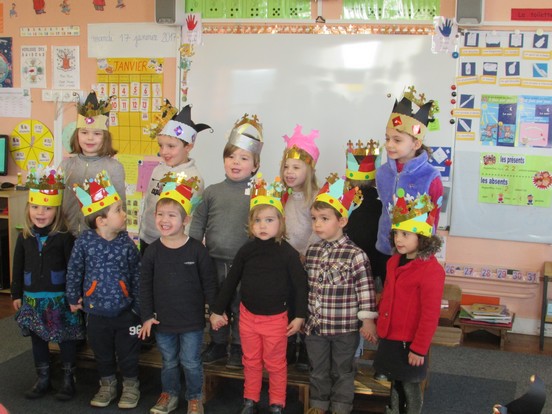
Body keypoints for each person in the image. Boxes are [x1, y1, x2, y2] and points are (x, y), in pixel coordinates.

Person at [210, 174, 308, 414]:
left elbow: (300, 286)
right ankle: (250, 399)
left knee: (275, 364)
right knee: (251, 361)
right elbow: (231, 281)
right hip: (248, 318)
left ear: (281, 222)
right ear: (250, 224)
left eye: (269, 220)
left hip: (276, 320)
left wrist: (299, 316)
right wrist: (217, 310)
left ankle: (276, 402)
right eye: (258, 220)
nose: (263, 225)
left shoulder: (288, 253)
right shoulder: (246, 251)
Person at [139, 173, 217, 414]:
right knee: (169, 361)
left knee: (191, 362)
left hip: (191, 322)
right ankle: (169, 394)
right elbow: (143, 286)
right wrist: (146, 316)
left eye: (172, 215)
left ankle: (194, 397)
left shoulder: (197, 251)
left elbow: (210, 284)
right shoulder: (152, 251)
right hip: (163, 322)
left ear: (186, 219)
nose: (164, 220)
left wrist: (214, 312)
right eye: (160, 214)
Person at [190, 113, 263, 369]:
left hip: (245, 266)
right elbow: (198, 221)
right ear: (223, 159)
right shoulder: (212, 191)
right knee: (216, 305)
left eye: (244, 158)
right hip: (213, 260)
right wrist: (194, 249)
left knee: (241, 307)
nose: (236, 162)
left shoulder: (258, 193)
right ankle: (218, 343)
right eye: (231, 156)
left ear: (255, 165)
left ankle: (239, 348)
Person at [66, 170, 141, 409]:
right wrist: (72, 296)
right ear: (101, 220)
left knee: (128, 352)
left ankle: (131, 385)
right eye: (118, 210)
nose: (123, 213)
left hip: (125, 311)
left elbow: (137, 275)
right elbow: (74, 270)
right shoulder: (84, 242)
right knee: (102, 351)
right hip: (95, 311)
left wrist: (139, 306)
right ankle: (107, 384)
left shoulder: (127, 244)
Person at [304, 174, 378, 414]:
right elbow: (308, 287)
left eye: (324, 219)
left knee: (343, 370)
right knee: (317, 369)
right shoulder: (313, 251)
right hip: (316, 327)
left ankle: (341, 407)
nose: (317, 224)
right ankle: (318, 405)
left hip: (344, 328)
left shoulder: (355, 254)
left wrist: (367, 321)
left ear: (342, 220)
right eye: (314, 218)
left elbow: (366, 290)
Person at [11, 167, 85, 401]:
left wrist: (74, 296)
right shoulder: (24, 237)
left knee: (66, 338)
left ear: (57, 210)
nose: (40, 213)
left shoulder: (64, 237)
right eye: (35, 207)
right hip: (33, 298)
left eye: (47, 208)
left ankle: (68, 379)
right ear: (28, 208)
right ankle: (42, 378)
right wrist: (16, 293)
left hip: (59, 299)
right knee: (38, 339)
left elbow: (74, 269)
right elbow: (17, 265)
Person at [373, 189, 445, 414]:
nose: (398, 239)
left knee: (410, 387)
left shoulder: (432, 270)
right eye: (396, 233)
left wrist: (419, 349)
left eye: (406, 234)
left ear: (421, 237)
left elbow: (430, 315)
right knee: (394, 384)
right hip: (390, 338)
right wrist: (377, 325)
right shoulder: (394, 262)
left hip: (410, 344)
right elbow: (387, 299)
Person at [376, 87, 443, 263]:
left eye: (397, 140)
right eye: (387, 138)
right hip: (386, 249)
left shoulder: (431, 176)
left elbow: (433, 217)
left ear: (416, 143)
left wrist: (426, 251)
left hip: (416, 254)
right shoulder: (382, 172)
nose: (389, 144)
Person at [139, 101, 212, 254]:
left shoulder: (193, 179)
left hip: (174, 245)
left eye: (171, 146)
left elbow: (192, 218)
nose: (163, 151)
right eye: (161, 145)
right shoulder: (157, 170)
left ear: (188, 147)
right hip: (148, 239)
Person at [343, 139, 388, 372]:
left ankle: (352, 359)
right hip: (371, 275)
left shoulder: (345, 205)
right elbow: (382, 248)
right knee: (364, 317)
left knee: (352, 317)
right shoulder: (381, 207)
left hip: (347, 275)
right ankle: (359, 359)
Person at [279, 124, 320, 370]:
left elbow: (318, 229)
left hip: (306, 262)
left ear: (309, 169)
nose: (289, 172)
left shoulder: (314, 197)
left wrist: (306, 254)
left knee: (305, 303)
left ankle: (304, 347)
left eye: (296, 167)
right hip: (284, 263)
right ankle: (287, 343)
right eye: (286, 167)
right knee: (287, 302)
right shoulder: (280, 195)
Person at [60, 91, 126, 237]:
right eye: (84, 132)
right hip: (67, 235)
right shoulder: (66, 166)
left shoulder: (114, 168)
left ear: (105, 137)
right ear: (77, 134)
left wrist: (119, 237)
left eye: (97, 134)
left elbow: (121, 208)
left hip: (100, 238)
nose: (90, 138)